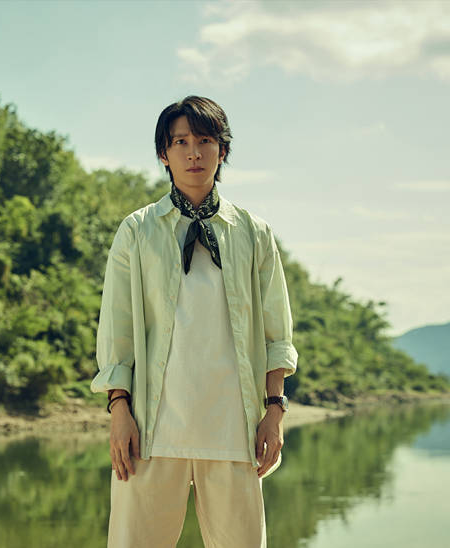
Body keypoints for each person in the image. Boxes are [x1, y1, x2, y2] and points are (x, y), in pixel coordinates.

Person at [91, 95, 298, 548]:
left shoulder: (254, 233)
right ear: (163, 154)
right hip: (151, 430)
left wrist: (275, 410)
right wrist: (119, 409)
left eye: (205, 141)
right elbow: (117, 330)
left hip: (234, 429)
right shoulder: (137, 231)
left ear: (222, 150)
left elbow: (276, 333)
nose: (193, 153)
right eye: (180, 142)